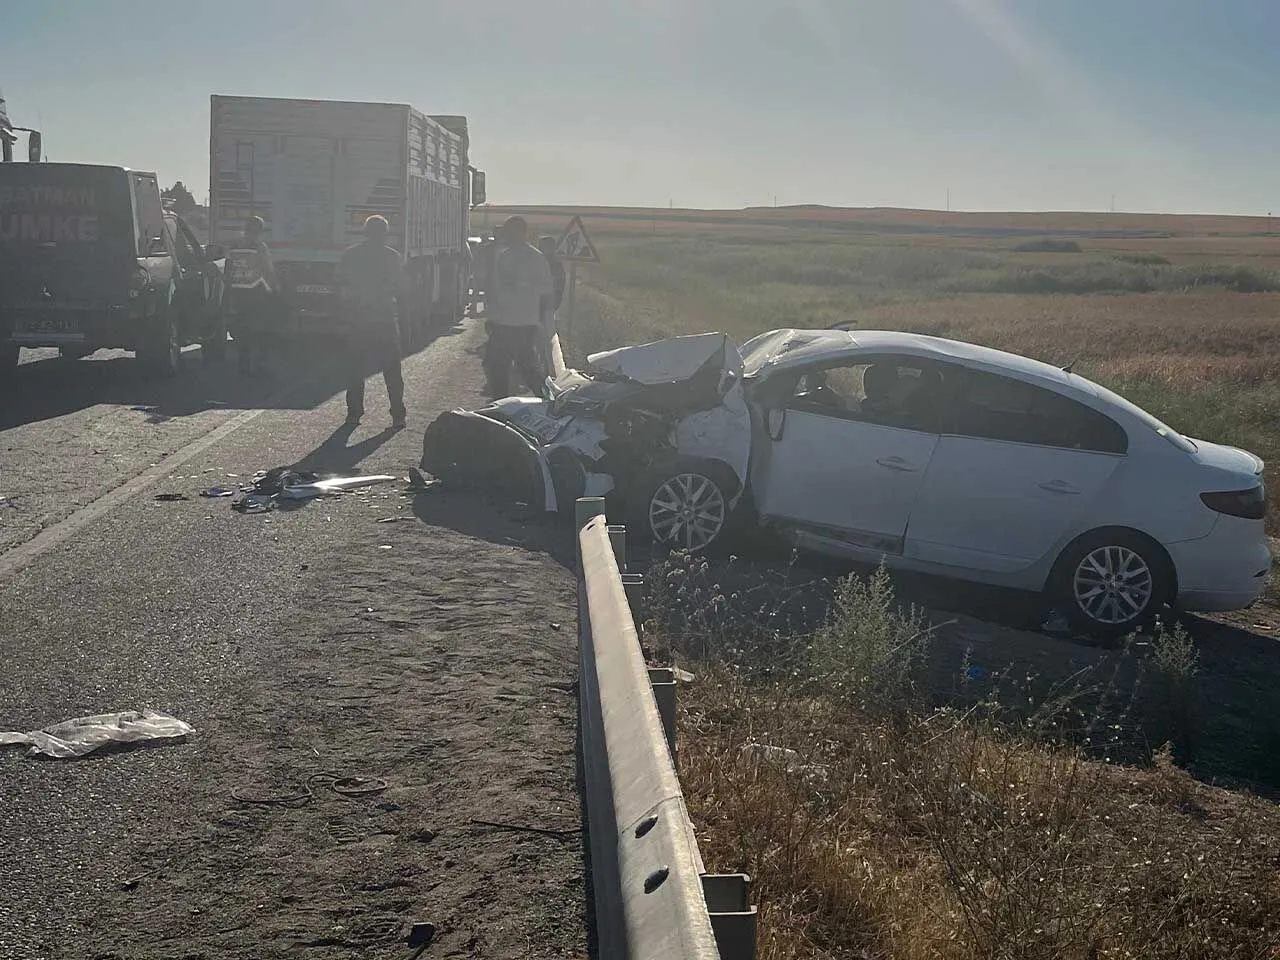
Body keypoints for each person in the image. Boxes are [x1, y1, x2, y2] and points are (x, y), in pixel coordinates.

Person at [336, 215, 407, 428]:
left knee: (356, 370)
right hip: (384, 319)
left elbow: (342, 287)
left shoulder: (351, 255)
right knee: (392, 370)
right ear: (385, 233)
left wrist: (345, 315)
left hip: (359, 320)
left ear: (365, 232)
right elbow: (401, 289)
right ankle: (397, 414)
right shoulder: (392, 256)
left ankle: (354, 413)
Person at [484, 216, 553, 397]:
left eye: (512, 231)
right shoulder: (503, 256)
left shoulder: (536, 258)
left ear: (522, 233)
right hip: (501, 324)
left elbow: (546, 287)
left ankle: (549, 401)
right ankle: (500, 409)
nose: (508, 235)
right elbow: (495, 289)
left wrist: (521, 283)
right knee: (497, 370)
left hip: (524, 324)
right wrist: (491, 317)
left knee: (528, 369)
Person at [226, 216, 279, 377]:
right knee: (263, 330)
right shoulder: (259, 247)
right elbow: (267, 269)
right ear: (259, 230)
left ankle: (243, 365)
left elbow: (228, 269)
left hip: (238, 294)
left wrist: (229, 292)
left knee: (243, 333)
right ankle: (261, 363)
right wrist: (275, 288)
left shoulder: (234, 246)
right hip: (257, 293)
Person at [536, 235, 566, 372]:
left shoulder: (553, 263)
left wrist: (556, 302)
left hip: (545, 305)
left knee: (546, 339)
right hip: (537, 305)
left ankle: (546, 365)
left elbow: (560, 285)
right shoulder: (536, 261)